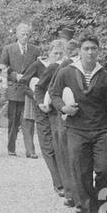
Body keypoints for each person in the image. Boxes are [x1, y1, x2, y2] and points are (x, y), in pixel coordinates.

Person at [50, 35, 107, 213]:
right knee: (81, 173)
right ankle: (91, 209)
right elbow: (54, 93)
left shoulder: (104, 76)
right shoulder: (66, 72)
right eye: (86, 49)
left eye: (94, 49)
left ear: (98, 51)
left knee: (106, 169)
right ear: (79, 51)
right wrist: (64, 108)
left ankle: (97, 204)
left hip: (101, 130)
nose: (90, 52)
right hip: (76, 130)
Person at [30, 38, 69, 201]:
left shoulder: (67, 67)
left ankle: (65, 183)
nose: (58, 56)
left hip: (58, 112)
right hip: (43, 110)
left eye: (61, 53)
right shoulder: (46, 67)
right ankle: (59, 183)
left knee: (60, 147)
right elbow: (34, 86)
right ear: (49, 54)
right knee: (48, 147)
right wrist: (39, 102)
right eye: (55, 53)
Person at [1, 22, 39, 158]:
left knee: (28, 120)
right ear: (17, 35)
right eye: (23, 34)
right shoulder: (8, 49)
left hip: (28, 90)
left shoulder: (35, 50)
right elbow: (3, 67)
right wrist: (14, 75)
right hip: (14, 89)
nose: (25, 37)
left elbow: (38, 69)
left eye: (27, 34)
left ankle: (30, 151)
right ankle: (11, 147)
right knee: (13, 121)